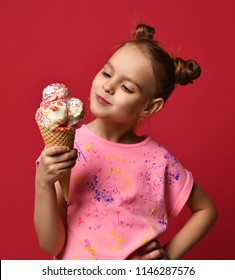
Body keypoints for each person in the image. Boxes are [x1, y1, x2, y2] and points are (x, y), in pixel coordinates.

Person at [34, 24, 217, 260]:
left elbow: (206, 210)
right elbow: (52, 245)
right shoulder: (68, 148)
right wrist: (43, 183)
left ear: (150, 106)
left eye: (126, 87)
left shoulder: (158, 161)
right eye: (107, 73)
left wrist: (169, 257)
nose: (108, 86)